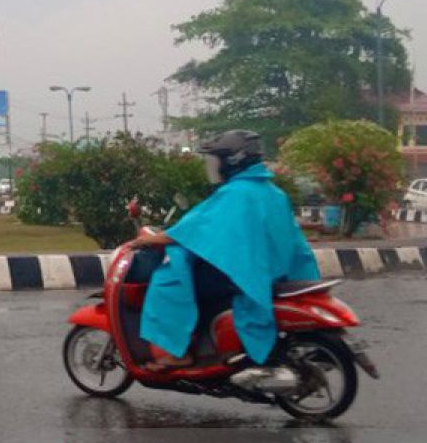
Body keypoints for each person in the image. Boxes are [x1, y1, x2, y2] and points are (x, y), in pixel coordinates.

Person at [132, 130, 320, 371]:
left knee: (171, 279)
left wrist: (149, 240)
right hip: (276, 272)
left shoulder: (236, 193)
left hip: (246, 277)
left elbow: (192, 230)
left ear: (232, 161)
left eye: (216, 160)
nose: (213, 167)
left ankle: (174, 353)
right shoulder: (272, 192)